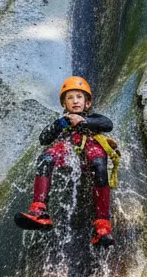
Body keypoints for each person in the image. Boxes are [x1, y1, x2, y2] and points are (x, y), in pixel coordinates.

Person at [15, 76, 117, 248]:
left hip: (90, 148)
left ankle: (102, 225)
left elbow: (107, 124)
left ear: (87, 103)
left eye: (79, 97)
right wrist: (62, 123)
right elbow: (44, 138)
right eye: (70, 98)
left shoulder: (94, 118)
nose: (75, 101)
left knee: (100, 166)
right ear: (64, 104)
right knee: (45, 159)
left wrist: (84, 121)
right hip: (68, 149)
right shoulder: (62, 123)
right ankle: (39, 210)